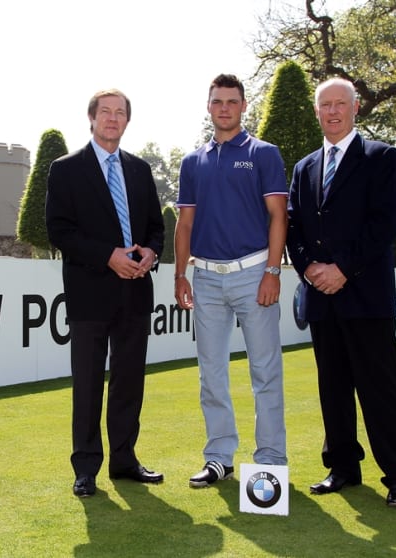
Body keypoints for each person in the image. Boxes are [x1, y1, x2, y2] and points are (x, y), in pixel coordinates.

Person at [286, 77, 396, 507]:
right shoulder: (304, 167)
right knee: (334, 388)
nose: (333, 111)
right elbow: (294, 227)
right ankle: (342, 466)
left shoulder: (382, 158)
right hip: (321, 299)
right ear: (316, 112)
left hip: (366, 295)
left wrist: (342, 268)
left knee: (380, 387)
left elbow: (384, 224)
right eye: (325, 105)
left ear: (356, 107)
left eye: (340, 104)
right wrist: (308, 267)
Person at [46, 88, 166, 498]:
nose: (112, 119)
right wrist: (107, 257)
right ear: (92, 118)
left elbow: (155, 227)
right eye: (106, 112)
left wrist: (151, 251)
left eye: (120, 113)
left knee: (129, 382)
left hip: (135, 291)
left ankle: (125, 460)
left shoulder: (139, 170)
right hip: (89, 294)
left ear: (127, 121)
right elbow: (59, 230)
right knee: (89, 383)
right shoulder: (65, 169)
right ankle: (85, 467)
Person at [173, 73, 289, 488]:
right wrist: (180, 274)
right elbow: (184, 224)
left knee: (265, 373)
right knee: (212, 374)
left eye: (232, 101)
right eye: (217, 101)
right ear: (209, 107)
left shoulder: (263, 154)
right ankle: (219, 457)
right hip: (205, 279)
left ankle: (270, 460)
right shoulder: (192, 161)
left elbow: (279, 216)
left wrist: (273, 271)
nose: (224, 108)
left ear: (243, 106)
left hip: (255, 273)